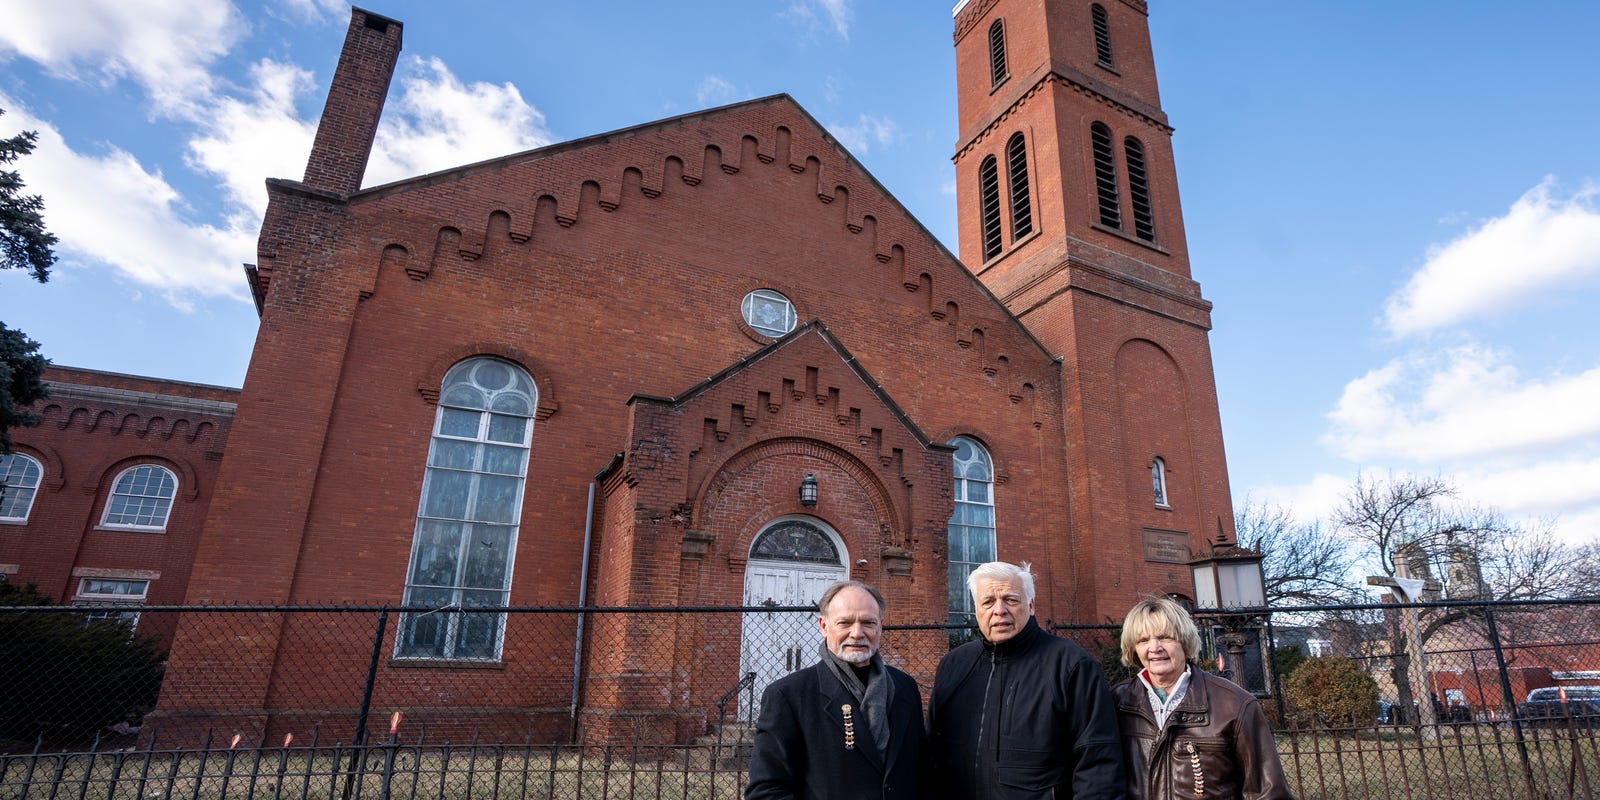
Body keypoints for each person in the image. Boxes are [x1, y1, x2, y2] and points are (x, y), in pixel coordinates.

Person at [928, 561, 1125, 799]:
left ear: (1031, 605)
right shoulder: (954, 665)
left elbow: (1098, 763)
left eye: (1011, 599)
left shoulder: (1071, 666)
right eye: (988, 601)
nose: (999, 610)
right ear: (976, 609)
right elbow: (932, 754)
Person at [745, 580, 927, 799]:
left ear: (880, 625)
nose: (857, 633)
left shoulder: (905, 687)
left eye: (868, 622)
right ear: (823, 626)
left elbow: (922, 772)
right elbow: (767, 791)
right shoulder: (788, 696)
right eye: (845, 623)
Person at [1112, 596, 1292, 800]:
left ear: (1184, 641)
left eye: (1165, 637)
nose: (1154, 648)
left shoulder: (1235, 704)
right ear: (1133, 648)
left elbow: (1268, 792)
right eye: (1143, 640)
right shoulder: (1117, 702)